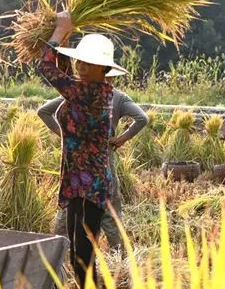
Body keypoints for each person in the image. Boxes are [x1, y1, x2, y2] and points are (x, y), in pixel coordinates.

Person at [36, 10, 123, 289]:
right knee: (78, 257)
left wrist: (60, 31)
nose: (83, 66)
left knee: (82, 258)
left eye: (91, 63)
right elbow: (65, 74)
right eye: (81, 60)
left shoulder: (90, 93)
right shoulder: (87, 88)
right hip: (78, 184)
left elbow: (47, 70)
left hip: (90, 187)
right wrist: (68, 37)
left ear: (104, 69)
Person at [39, 81, 148, 251]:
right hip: (103, 155)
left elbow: (43, 111)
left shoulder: (74, 92)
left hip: (76, 156)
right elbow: (142, 118)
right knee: (108, 204)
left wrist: (66, 135)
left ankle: (58, 253)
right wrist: (120, 139)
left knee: (71, 199)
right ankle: (118, 255)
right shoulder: (118, 97)